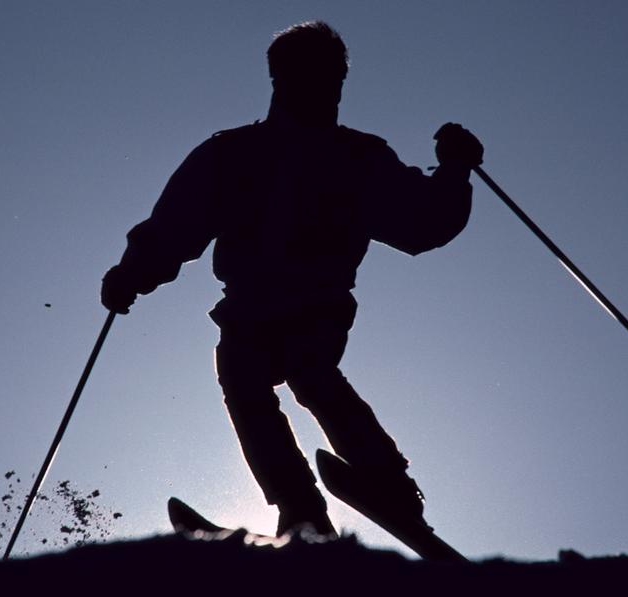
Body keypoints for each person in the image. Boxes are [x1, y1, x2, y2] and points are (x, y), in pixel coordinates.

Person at [101, 21, 483, 537]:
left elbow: (421, 222)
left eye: (330, 80)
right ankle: (313, 503)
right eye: (312, 78)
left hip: (310, 300)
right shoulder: (245, 154)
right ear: (280, 79)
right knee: (259, 373)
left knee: (297, 371)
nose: (324, 90)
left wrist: (455, 172)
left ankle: (355, 490)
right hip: (257, 303)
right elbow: (177, 226)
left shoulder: (342, 156)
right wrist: (133, 273)